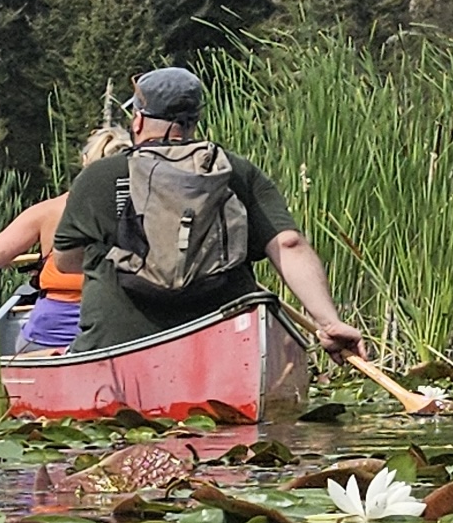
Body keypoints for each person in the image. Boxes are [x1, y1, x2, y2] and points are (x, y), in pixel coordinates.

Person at [49, 67, 362, 357]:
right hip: (223, 341)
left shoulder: (101, 175)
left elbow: (66, 261)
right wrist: (328, 322)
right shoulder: (235, 171)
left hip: (120, 343)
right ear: (194, 122)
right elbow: (288, 244)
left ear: (139, 120)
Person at [0, 124, 131, 354]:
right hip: (120, 326)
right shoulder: (145, 210)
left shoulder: (48, 211)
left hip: (52, 329)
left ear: (84, 163)